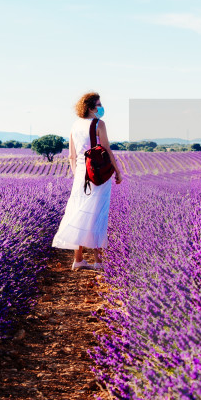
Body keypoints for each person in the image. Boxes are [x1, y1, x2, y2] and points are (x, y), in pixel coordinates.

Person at [52, 91, 123, 270]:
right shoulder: (99, 124)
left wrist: (78, 174)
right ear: (91, 108)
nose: (101, 108)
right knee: (97, 213)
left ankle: (78, 259)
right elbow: (106, 149)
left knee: (79, 212)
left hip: (81, 175)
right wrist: (117, 171)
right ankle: (98, 261)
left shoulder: (74, 125)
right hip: (97, 174)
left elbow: (71, 155)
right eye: (98, 105)